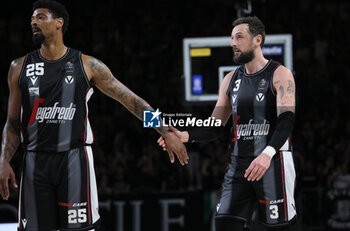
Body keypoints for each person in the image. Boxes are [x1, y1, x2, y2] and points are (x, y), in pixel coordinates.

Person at [0, 0, 188, 230]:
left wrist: (165, 130)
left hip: (73, 160)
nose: (33, 22)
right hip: (34, 162)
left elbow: (131, 101)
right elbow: (12, 123)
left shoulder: (87, 65)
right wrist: (4, 159)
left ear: (59, 23)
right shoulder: (19, 67)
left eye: (40, 17)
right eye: (32, 18)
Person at [158, 16, 296, 230]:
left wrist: (266, 155)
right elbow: (214, 126)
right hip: (238, 167)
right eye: (232, 38)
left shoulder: (280, 74)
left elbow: (286, 121)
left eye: (239, 37)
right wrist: (185, 136)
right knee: (223, 223)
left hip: (272, 163)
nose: (233, 43)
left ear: (257, 39)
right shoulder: (230, 80)